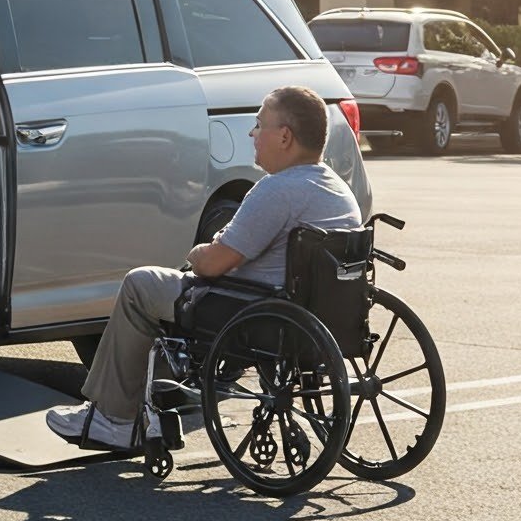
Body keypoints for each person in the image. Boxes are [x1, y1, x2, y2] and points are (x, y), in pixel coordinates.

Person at [46, 85, 362, 450]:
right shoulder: (338, 190)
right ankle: (154, 393)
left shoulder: (278, 190)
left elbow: (213, 264)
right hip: (313, 317)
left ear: (285, 136)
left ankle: (113, 418)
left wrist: (197, 252)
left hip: (250, 312)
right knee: (165, 290)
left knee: (140, 285)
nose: (252, 133)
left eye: (259, 125)